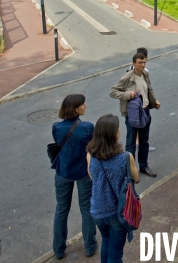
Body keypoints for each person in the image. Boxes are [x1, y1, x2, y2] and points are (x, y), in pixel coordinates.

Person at [87, 114, 139, 263]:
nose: (120, 130)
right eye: (118, 128)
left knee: (106, 241)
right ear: (113, 133)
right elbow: (135, 178)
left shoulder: (91, 155)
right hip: (118, 210)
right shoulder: (125, 157)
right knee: (116, 254)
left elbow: (92, 176)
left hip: (98, 209)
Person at [51, 94, 97, 260]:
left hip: (63, 172)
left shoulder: (56, 127)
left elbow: (58, 144)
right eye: (82, 104)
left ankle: (58, 249)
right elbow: (93, 148)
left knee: (62, 209)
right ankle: (90, 246)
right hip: (83, 172)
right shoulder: (87, 127)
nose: (85, 106)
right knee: (86, 208)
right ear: (75, 108)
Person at [110, 53, 160, 177]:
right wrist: (128, 95)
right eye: (140, 63)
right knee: (131, 142)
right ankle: (129, 170)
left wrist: (155, 100)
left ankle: (143, 166)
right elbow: (113, 92)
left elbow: (149, 88)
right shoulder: (128, 77)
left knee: (144, 141)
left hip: (145, 111)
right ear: (133, 63)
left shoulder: (145, 74)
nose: (143, 65)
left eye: (144, 62)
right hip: (132, 113)